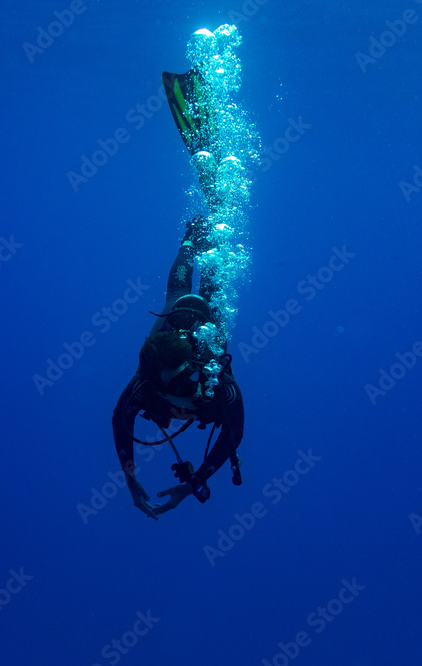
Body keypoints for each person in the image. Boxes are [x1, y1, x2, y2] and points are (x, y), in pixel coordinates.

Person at [111, 67, 246, 520]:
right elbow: (120, 419)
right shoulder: (150, 386)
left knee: (179, 291)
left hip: (184, 315)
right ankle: (200, 231)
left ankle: (192, 237)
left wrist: (191, 484)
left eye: (187, 382)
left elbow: (235, 430)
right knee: (200, 289)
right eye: (182, 387)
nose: (189, 392)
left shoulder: (208, 378)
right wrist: (134, 481)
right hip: (197, 316)